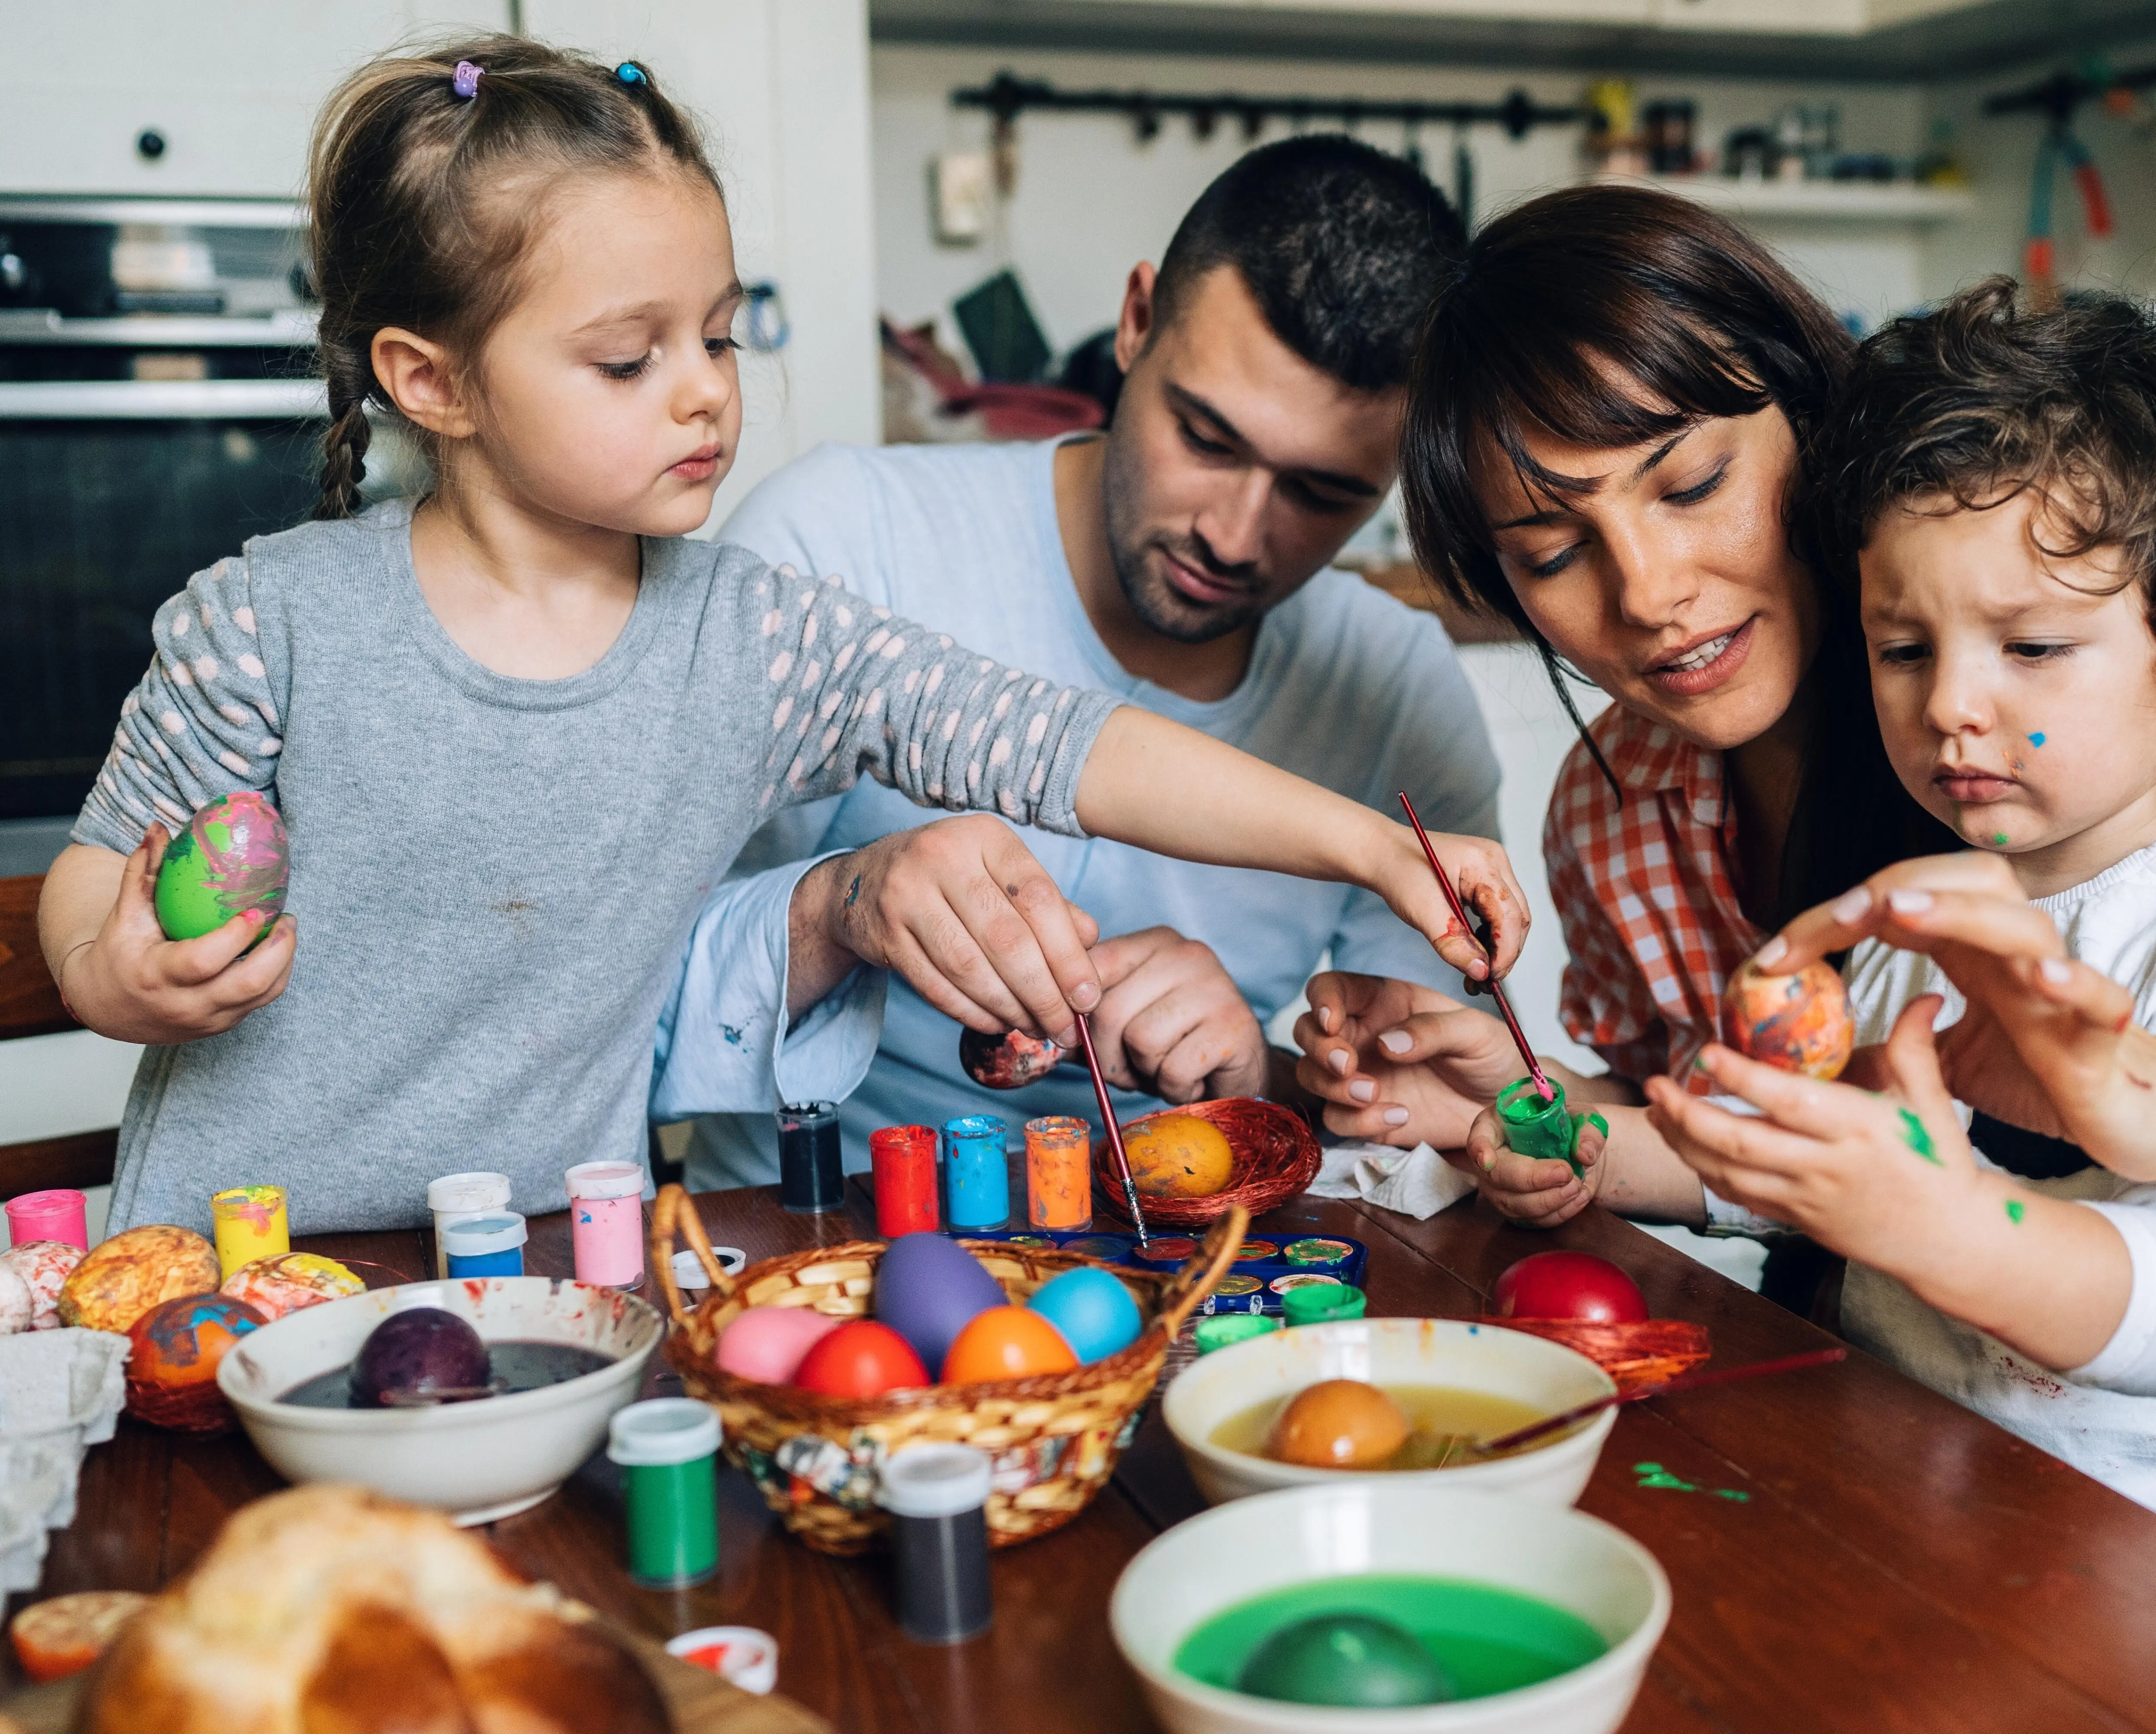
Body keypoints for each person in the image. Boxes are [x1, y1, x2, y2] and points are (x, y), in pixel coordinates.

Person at [33, 38, 1524, 1236]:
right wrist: (113, 976)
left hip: (562, 1264)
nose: (703, 395)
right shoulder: (271, 618)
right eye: (631, 357)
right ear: (433, 382)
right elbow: (102, 867)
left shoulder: (760, 640)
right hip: (234, 1263)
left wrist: (1372, 846)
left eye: (721, 336)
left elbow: (1073, 748)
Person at [1294, 184, 2156, 1255]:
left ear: (1816, 424)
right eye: (1549, 552)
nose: (1648, 594)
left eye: (1691, 485)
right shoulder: (1622, 802)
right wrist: (1532, 1108)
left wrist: (2154, 1099)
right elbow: (1747, 1131)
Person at [1646, 284, 2156, 1627]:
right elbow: (1796, 1169)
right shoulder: (1920, 910)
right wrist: (1545, 1131)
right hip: (1946, 1501)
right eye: (1902, 647)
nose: (1949, 706)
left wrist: (1934, 1223)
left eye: (2034, 646)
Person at [670, 135, 1496, 1190]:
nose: (1237, 537)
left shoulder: (1399, 692)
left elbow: (1418, 1129)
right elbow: (615, 989)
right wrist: (846, 906)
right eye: (1206, 437)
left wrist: (1254, 1080)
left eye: (1322, 493)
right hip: (804, 1242)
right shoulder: (841, 541)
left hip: (1187, 1274)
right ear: (1138, 319)